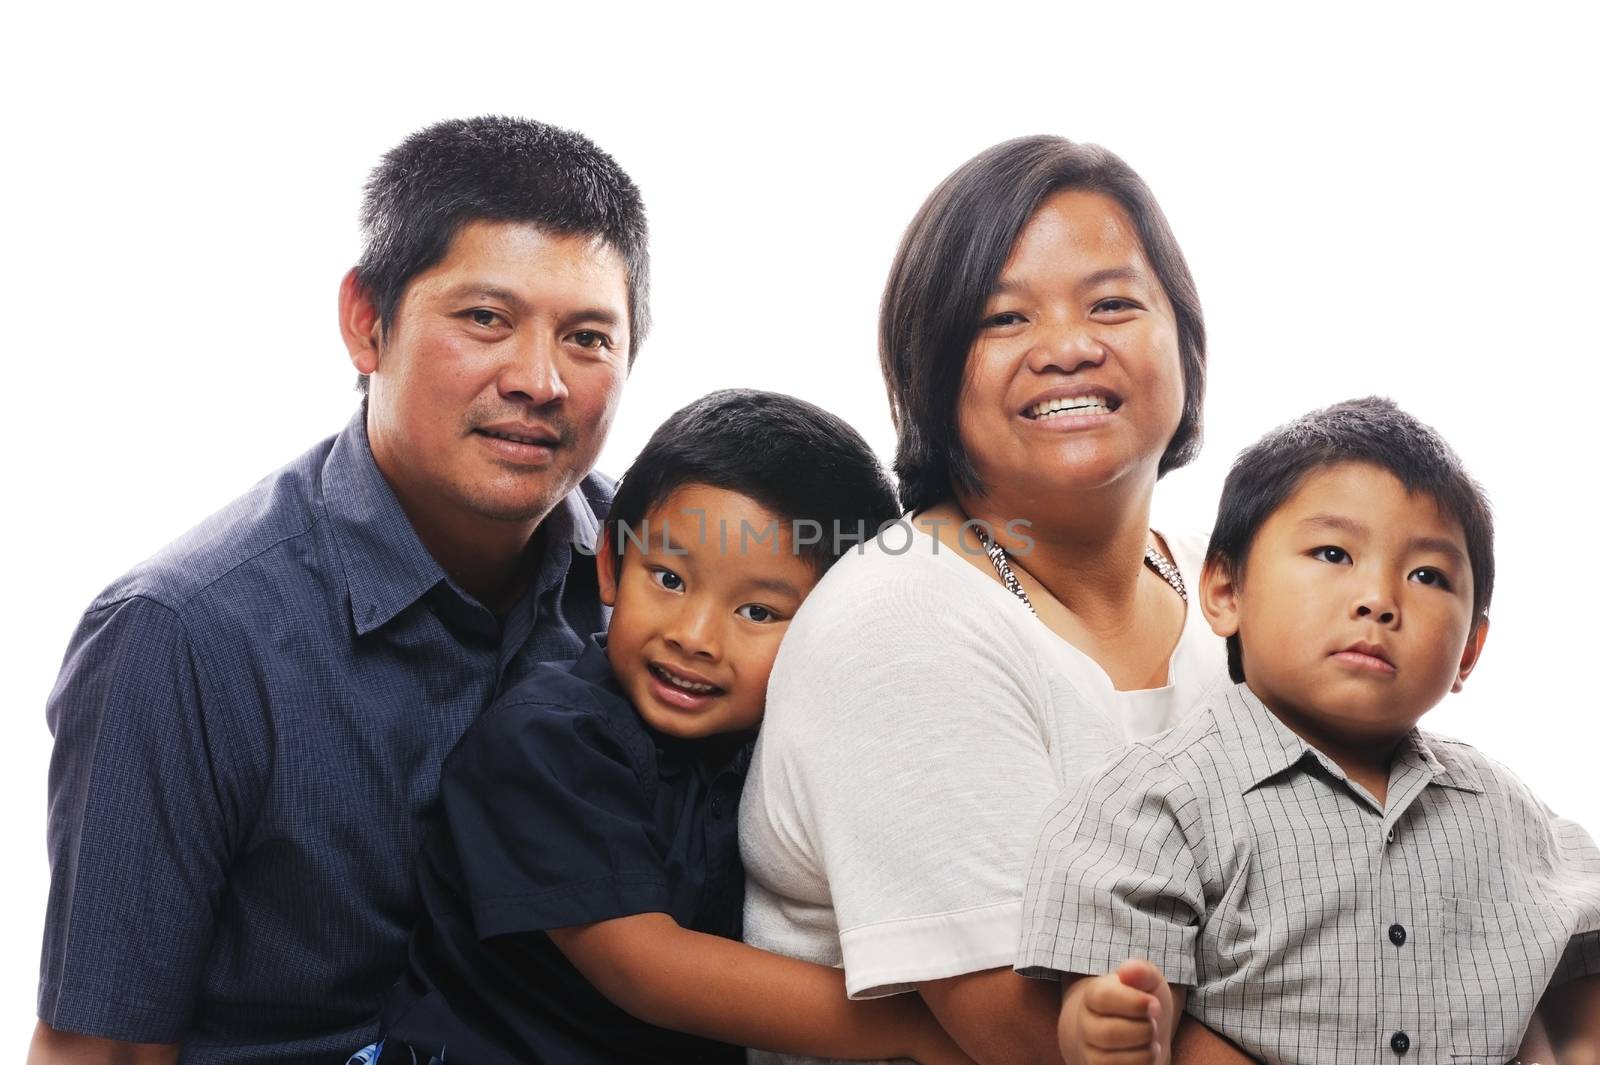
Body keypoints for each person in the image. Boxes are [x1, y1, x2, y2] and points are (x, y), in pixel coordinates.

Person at [31, 115, 649, 1065]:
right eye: (485, 318)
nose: (539, 380)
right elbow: (98, 1052)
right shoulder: (181, 635)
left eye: (587, 338)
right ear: (368, 323)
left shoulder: (660, 582)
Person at [740, 134, 1252, 1064]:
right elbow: (1033, 1040)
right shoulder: (900, 620)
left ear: (1184, 338)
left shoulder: (1224, 580)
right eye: (1003, 319)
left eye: (1112, 303)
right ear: (930, 374)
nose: (1067, 347)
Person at [360, 389, 971, 1065]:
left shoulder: (785, 745)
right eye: (670, 579)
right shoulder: (546, 742)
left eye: (759, 613)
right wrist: (916, 1027)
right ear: (612, 567)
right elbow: (646, 966)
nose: (695, 637)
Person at [1019, 397, 1600, 1065]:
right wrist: (1104, 1022)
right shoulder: (1153, 804)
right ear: (1225, 589)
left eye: (1427, 575)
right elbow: (1123, 994)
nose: (1379, 598)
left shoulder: (1505, 808)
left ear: (1469, 649)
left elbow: (1579, 950)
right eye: (1333, 552)